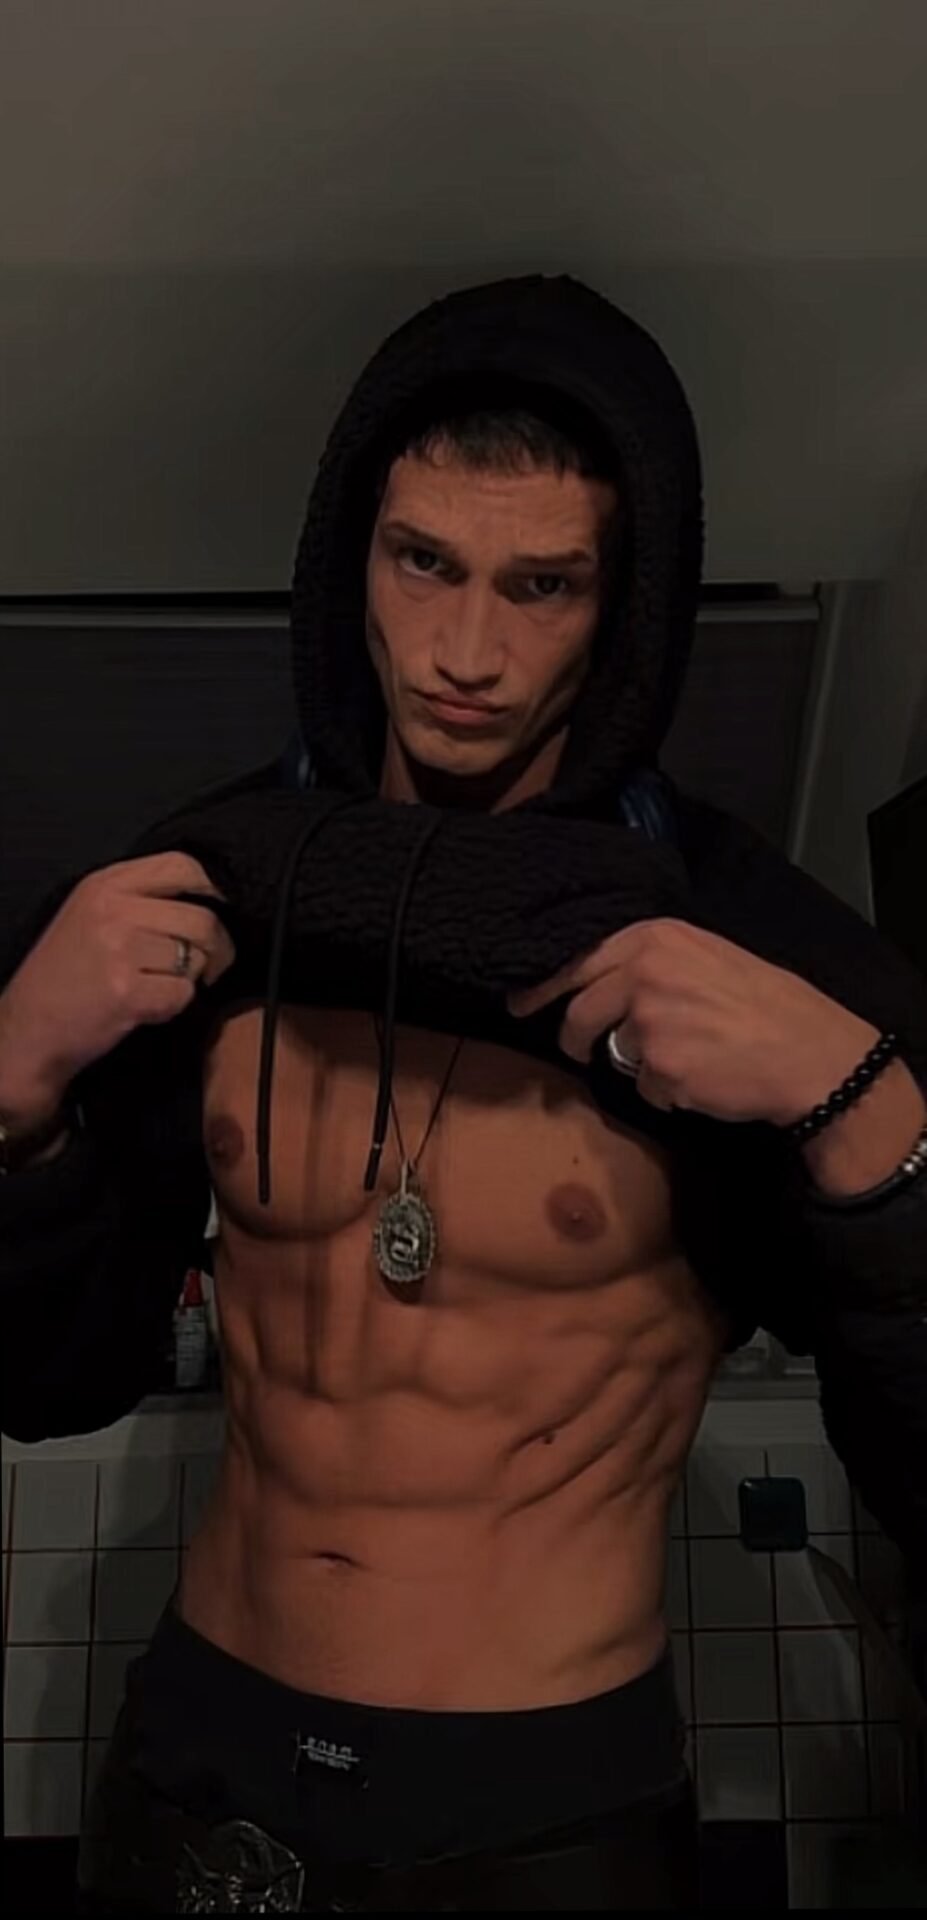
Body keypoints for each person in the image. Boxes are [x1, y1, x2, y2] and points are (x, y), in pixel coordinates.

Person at [1, 274, 925, 1914]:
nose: (466, 654)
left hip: (535, 1808)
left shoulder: (746, 954)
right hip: (197, 1747)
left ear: (625, 611)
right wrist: (11, 1082)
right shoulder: (213, 895)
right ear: (346, 559)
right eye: (422, 562)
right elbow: (45, 1376)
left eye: (541, 586)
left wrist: (859, 1101)